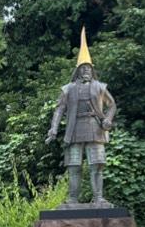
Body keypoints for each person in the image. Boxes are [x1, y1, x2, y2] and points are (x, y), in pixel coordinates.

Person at [45, 27, 116, 206]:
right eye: (83, 68)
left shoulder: (100, 87)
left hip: (95, 127)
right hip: (74, 129)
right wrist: (54, 128)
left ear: (92, 71)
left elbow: (112, 105)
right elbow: (59, 109)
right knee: (74, 166)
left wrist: (108, 119)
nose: (86, 71)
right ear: (77, 71)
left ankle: (98, 198)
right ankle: (72, 199)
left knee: (97, 165)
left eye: (88, 68)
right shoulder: (67, 89)